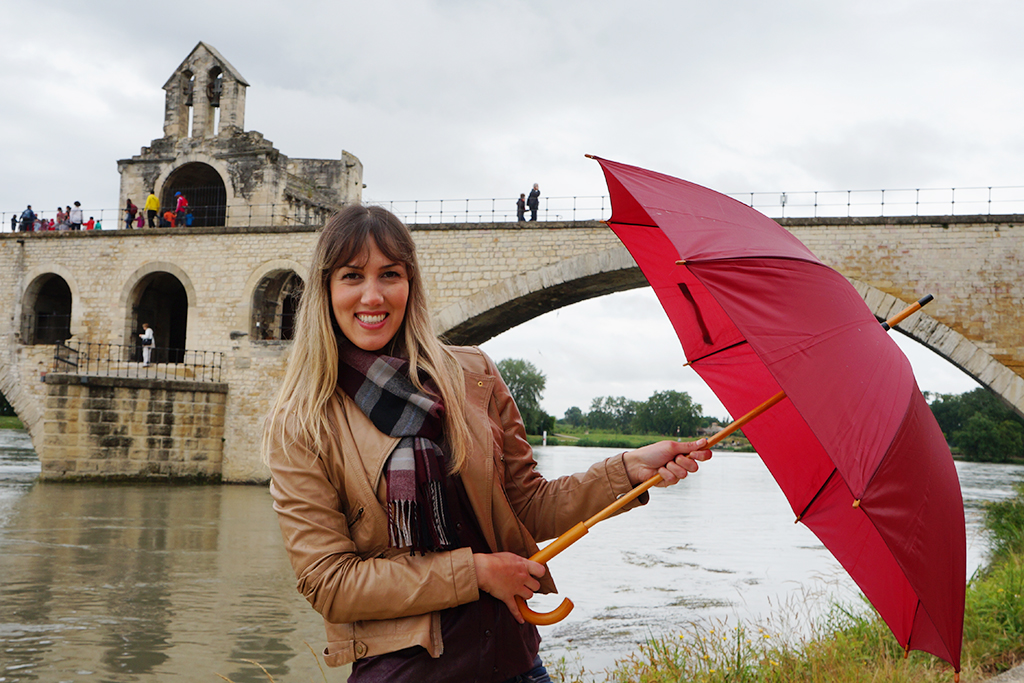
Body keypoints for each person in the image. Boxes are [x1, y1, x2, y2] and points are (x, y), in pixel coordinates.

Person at [263, 205, 712, 681]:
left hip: (515, 663)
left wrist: (627, 470)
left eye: (389, 274)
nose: (372, 295)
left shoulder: (473, 375)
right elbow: (330, 583)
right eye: (353, 276)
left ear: (409, 284)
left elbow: (527, 506)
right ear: (327, 289)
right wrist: (475, 572)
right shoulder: (302, 421)